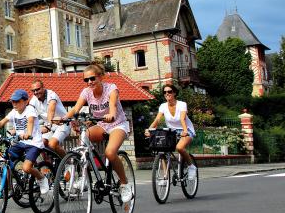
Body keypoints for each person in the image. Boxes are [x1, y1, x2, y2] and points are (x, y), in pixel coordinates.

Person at [62, 62, 134, 203]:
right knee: (83, 139)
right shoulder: (86, 92)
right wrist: (64, 118)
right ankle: (84, 175)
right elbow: (76, 109)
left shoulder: (111, 88)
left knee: (110, 152)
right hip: (102, 125)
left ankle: (125, 184)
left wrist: (111, 114)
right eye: (86, 80)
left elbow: (112, 105)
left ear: (101, 77)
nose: (89, 82)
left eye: (92, 78)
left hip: (117, 124)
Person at [0, 88, 50, 194]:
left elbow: (30, 121)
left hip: (33, 143)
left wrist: (28, 133)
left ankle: (41, 178)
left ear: (25, 101)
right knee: (4, 161)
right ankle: (7, 187)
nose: (14, 103)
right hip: (20, 142)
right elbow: (1, 123)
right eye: (13, 101)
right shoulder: (14, 112)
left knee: (26, 167)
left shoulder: (30, 110)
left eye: (17, 101)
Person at [145, 83, 197, 178]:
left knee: (180, 147)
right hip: (171, 132)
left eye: (169, 91)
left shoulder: (182, 104)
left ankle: (191, 166)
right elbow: (157, 120)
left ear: (174, 93)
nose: (167, 94)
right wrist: (150, 130)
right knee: (161, 150)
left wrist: (185, 131)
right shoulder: (163, 106)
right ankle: (166, 176)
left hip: (186, 129)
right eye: (165, 92)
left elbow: (182, 119)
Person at [29, 79, 70, 158]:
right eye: (33, 91)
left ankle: (68, 162)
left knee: (52, 144)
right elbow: (29, 113)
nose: (35, 92)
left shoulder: (51, 94)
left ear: (43, 88)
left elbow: (51, 109)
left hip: (62, 124)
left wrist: (48, 126)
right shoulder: (33, 99)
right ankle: (48, 165)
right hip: (49, 125)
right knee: (40, 143)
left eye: (37, 89)